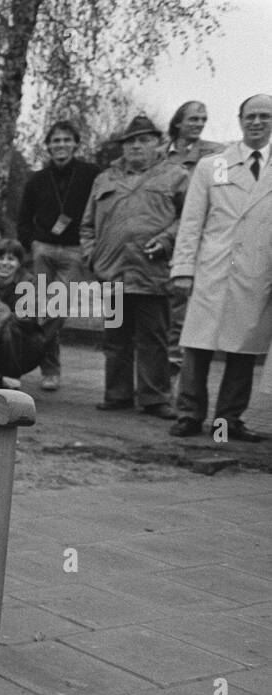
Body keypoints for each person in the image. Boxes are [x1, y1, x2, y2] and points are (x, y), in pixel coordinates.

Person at [169, 93, 272, 443]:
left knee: (243, 349)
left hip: (257, 271)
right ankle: (189, 414)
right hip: (213, 268)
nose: (257, 122)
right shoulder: (212, 165)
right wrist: (182, 268)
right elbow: (191, 222)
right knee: (198, 345)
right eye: (251, 116)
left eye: (265, 116)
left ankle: (226, 422)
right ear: (240, 119)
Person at [80, 115, 189, 419]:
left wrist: (167, 240)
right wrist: (92, 256)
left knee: (153, 337)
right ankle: (117, 395)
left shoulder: (175, 176)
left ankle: (155, 398)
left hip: (152, 272)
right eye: (130, 141)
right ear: (123, 147)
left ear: (158, 143)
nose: (136, 146)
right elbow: (87, 225)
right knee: (115, 338)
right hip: (112, 272)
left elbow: (188, 220)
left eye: (144, 139)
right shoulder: (105, 179)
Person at [16, 121, 101, 391]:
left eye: (66, 140)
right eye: (55, 141)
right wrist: (31, 244)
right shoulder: (38, 179)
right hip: (43, 248)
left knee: (57, 308)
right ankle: (50, 371)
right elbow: (23, 217)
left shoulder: (91, 174)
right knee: (41, 307)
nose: (60, 145)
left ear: (76, 143)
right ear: (48, 146)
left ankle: (20, 357)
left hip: (74, 250)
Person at [161, 101, 227, 372]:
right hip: (161, 234)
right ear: (178, 123)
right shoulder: (160, 155)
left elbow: (223, 194)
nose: (199, 124)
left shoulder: (216, 155)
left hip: (192, 238)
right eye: (193, 119)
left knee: (181, 306)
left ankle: (175, 363)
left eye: (203, 119)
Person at [0, 238, 44, 389]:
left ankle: (11, 376)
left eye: (11, 259)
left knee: (7, 327)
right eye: (0, 258)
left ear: (19, 263)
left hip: (23, 342)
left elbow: (25, 317)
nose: (4, 263)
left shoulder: (27, 282)